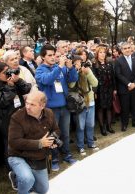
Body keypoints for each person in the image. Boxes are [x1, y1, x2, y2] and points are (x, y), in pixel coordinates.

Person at [35, 44, 78, 172]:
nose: (53, 57)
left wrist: (71, 68)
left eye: (54, 55)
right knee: (52, 136)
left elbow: (73, 79)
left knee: (65, 133)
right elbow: (47, 80)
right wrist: (60, 66)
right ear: (43, 57)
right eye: (50, 55)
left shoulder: (60, 68)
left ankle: (67, 155)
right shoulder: (40, 70)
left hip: (64, 106)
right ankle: (53, 159)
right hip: (50, 109)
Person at [8, 91, 60, 194]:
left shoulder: (49, 112)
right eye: (27, 103)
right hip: (18, 154)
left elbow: (56, 130)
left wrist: (51, 140)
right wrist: (40, 143)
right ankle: (20, 181)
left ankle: (17, 175)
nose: (27, 106)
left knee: (43, 190)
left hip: (38, 156)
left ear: (42, 106)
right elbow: (13, 142)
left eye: (32, 104)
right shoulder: (17, 117)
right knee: (27, 180)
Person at [0, 62, 31, 159]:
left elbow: (26, 89)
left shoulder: (13, 81)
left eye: (9, 71)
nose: (8, 74)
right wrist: (10, 87)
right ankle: (12, 169)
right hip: (7, 121)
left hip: (21, 117)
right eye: (5, 72)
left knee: (25, 140)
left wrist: (18, 80)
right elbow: (1, 103)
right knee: (11, 146)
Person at [69, 51, 99, 156]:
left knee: (90, 125)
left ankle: (91, 143)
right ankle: (81, 146)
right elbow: (71, 85)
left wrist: (88, 73)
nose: (79, 65)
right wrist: (75, 72)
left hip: (90, 101)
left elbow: (95, 83)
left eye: (80, 63)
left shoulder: (87, 70)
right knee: (80, 126)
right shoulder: (72, 72)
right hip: (79, 103)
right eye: (76, 63)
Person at [115, 42, 135, 131]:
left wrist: (134, 83)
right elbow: (118, 74)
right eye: (125, 48)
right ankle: (124, 124)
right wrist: (129, 84)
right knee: (125, 107)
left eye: (128, 48)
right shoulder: (118, 60)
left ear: (131, 49)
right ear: (122, 50)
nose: (127, 50)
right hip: (124, 88)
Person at [92, 46, 116, 136]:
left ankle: (109, 126)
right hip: (99, 90)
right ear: (97, 54)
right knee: (100, 109)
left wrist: (114, 89)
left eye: (104, 52)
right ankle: (102, 127)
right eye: (100, 52)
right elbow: (93, 79)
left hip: (109, 89)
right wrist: (94, 92)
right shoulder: (94, 64)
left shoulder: (109, 63)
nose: (102, 54)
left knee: (109, 108)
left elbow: (113, 77)